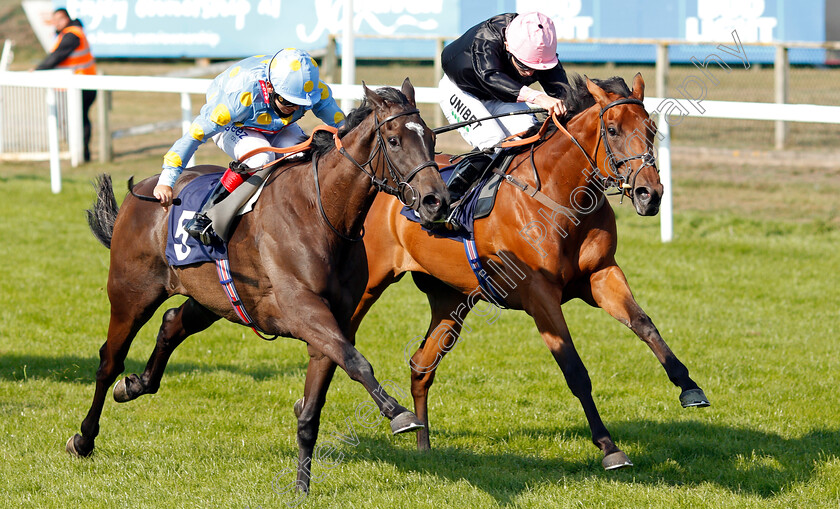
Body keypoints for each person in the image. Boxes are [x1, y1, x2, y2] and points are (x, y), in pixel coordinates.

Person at [153, 48, 346, 245]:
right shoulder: (237, 98)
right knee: (260, 158)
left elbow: (343, 126)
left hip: (275, 124)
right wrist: (166, 180)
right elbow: (193, 136)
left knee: (299, 154)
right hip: (233, 125)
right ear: (270, 87)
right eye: (288, 101)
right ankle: (207, 215)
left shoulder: (312, 90)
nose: (296, 108)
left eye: (302, 103)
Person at [439, 12, 569, 194]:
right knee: (492, 141)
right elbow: (490, 76)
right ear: (507, 46)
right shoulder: (486, 37)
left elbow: (565, 95)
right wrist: (537, 97)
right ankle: (446, 202)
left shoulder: (540, 49)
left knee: (529, 137)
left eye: (538, 68)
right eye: (524, 66)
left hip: (502, 96)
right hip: (461, 91)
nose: (531, 74)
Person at [35, 8, 97, 163]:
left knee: (78, 120)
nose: (56, 23)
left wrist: (37, 70)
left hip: (81, 85)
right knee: (76, 119)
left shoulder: (72, 34)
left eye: (59, 19)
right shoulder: (69, 33)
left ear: (66, 19)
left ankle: (81, 154)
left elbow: (57, 56)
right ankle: (79, 152)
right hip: (79, 84)